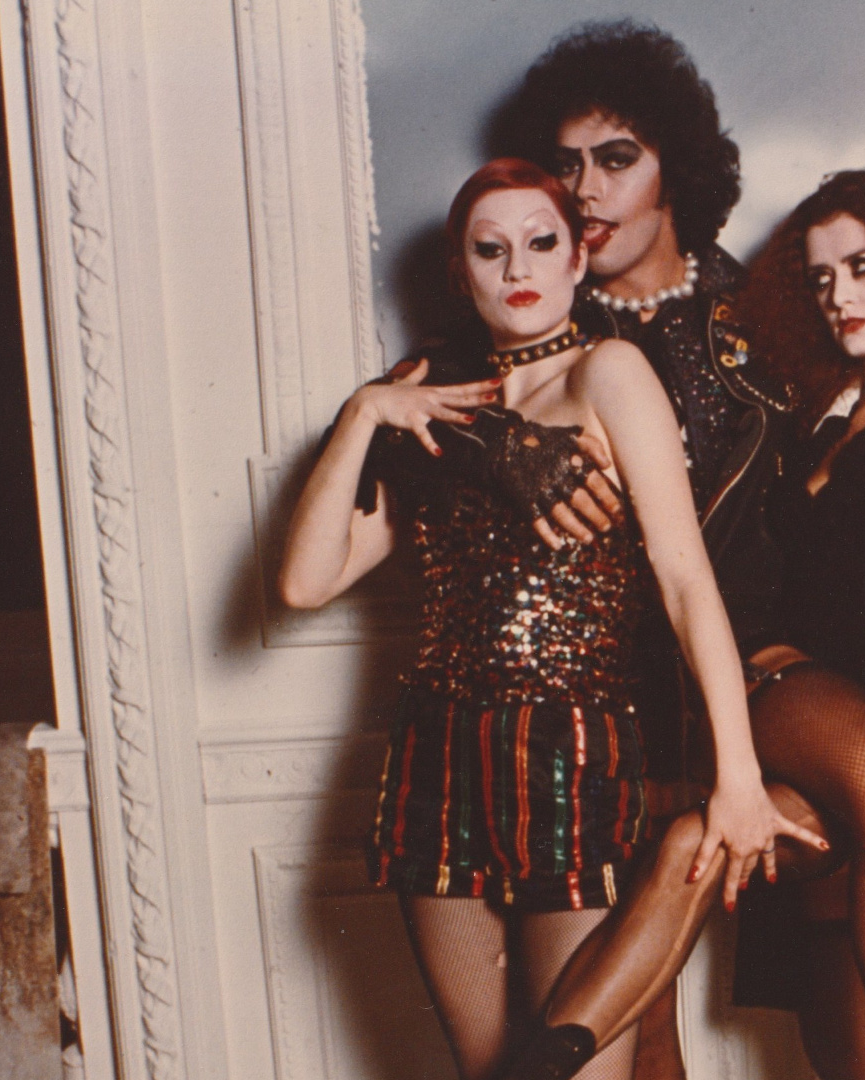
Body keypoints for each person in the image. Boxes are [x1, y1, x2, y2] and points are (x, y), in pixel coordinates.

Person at [478, 29, 865, 1074]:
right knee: (656, 1032)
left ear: (676, 168)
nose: (586, 189)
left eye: (617, 157)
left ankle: (548, 1055)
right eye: (566, 165)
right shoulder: (545, 328)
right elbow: (451, 397)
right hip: (638, 704)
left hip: (822, 717)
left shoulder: (763, 333)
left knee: (829, 843)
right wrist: (504, 445)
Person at [279, 158, 824, 1080]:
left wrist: (738, 776)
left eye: (541, 243)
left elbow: (686, 579)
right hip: (436, 757)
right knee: (490, 1070)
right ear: (462, 273)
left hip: (570, 756)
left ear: (578, 259)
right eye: (490, 250)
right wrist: (366, 412)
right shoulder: (440, 408)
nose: (518, 268)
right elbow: (304, 581)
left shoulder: (609, 371)